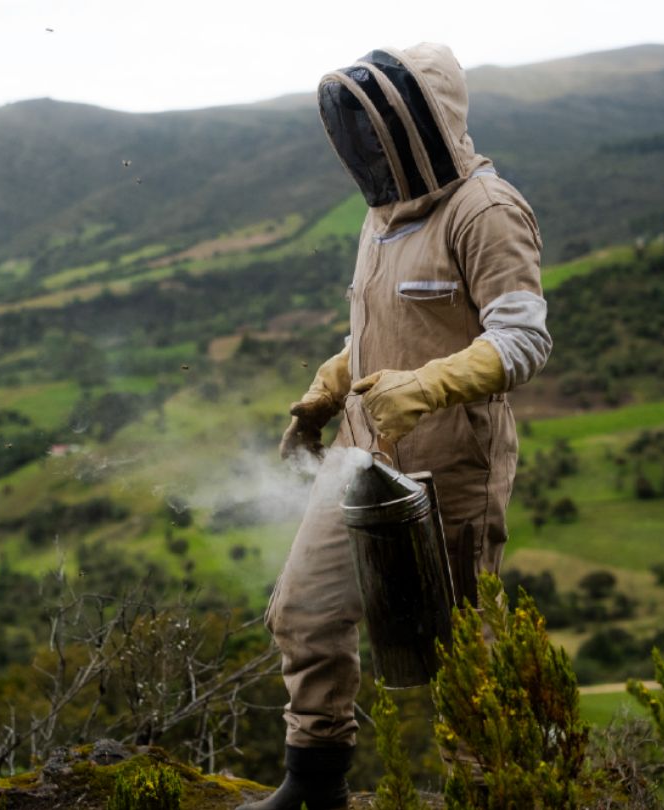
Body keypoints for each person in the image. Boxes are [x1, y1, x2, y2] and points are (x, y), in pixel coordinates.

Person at [239, 42, 550, 810]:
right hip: (362, 453)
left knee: (461, 646)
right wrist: (325, 390)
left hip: (454, 461)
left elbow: (524, 339)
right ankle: (315, 785)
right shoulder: (380, 217)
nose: (371, 150)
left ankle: (490, 790)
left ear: (426, 121)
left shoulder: (488, 211)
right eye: (363, 136)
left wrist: (427, 387)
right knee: (303, 611)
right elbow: (380, 331)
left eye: (381, 132)